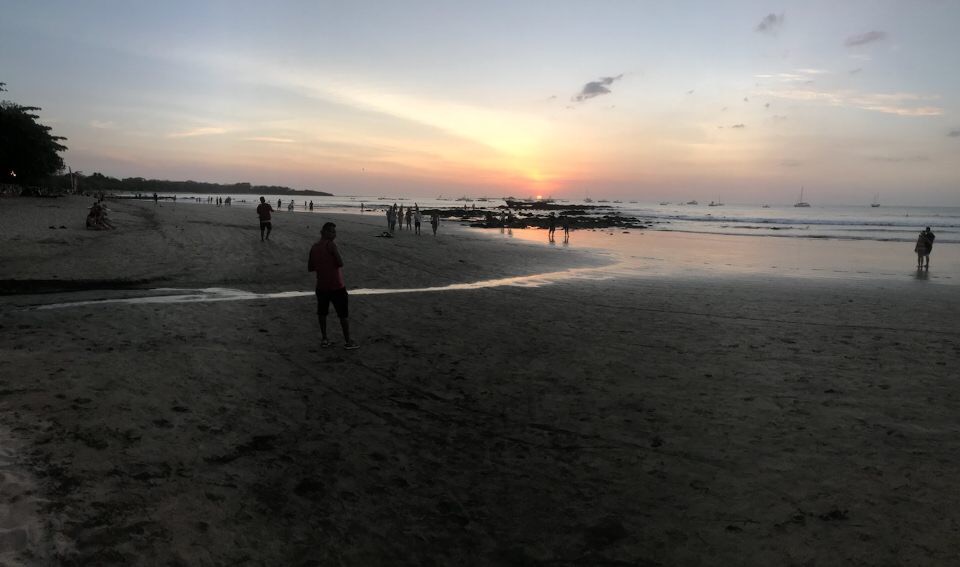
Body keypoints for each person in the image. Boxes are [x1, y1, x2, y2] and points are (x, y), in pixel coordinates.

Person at [308, 222, 359, 350]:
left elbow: (310, 267)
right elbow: (340, 263)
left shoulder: (314, 247)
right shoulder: (330, 245)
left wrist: (322, 265)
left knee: (322, 313)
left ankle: (324, 338)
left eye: (334, 232)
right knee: (343, 315)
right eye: (331, 231)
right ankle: (348, 341)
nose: (334, 234)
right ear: (323, 232)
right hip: (336, 286)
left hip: (321, 286)